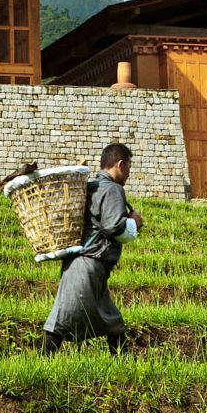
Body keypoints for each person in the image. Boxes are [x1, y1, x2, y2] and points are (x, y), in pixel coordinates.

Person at [40, 142, 143, 354]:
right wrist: (134, 222)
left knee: (113, 322)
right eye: (129, 168)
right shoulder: (113, 189)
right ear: (120, 164)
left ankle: (123, 366)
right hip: (86, 265)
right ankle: (38, 365)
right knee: (61, 319)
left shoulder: (92, 187)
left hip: (88, 266)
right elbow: (113, 226)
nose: (129, 174)